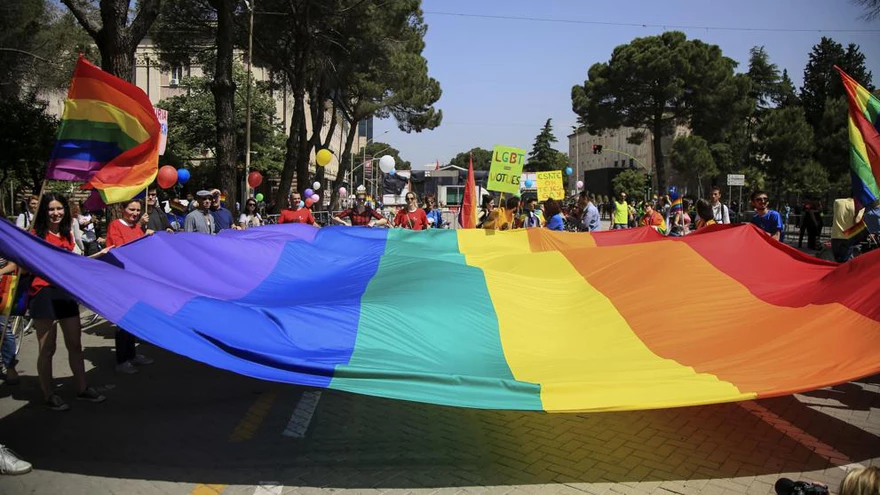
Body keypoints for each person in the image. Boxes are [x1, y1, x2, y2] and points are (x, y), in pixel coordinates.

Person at [29, 193, 107, 411]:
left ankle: (82, 389)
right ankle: (49, 394)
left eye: (59, 209)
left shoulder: (66, 234)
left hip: (65, 292)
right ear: (44, 211)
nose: (55, 213)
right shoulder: (35, 235)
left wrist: (99, 255)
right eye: (51, 209)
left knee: (75, 344)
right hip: (43, 293)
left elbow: (72, 264)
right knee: (47, 348)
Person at [104, 199, 155, 374]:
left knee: (133, 318)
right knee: (123, 320)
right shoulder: (115, 225)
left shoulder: (137, 227)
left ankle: (132, 355)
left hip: (136, 280)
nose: (134, 213)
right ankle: (121, 360)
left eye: (137, 210)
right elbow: (119, 249)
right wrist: (141, 230)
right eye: (131, 209)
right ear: (122, 209)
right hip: (121, 280)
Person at [0, 258, 20, 386]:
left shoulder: (4, 243)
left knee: (3, 328)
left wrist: (1, 272)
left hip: (3, 287)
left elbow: (14, 264)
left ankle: (10, 367)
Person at [830, 197, 867, 263]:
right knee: (845, 263)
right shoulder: (859, 206)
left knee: (837, 262)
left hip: (835, 236)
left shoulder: (837, 202)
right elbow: (857, 221)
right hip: (848, 237)